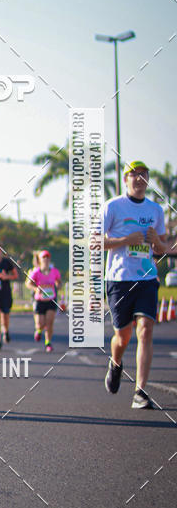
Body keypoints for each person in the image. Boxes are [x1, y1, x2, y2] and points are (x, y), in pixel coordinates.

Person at [103, 161, 168, 409]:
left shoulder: (156, 210)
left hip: (147, 279)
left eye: (144, 175)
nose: (139, 179)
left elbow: (162, 248)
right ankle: (116, 363)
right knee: (122, 336)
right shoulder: (113, 206)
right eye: (134, 175)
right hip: (119, 280)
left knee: (146, 330)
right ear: (126, 179)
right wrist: (125, 240)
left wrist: (157, 243)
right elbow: (94, 242)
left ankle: (140, 391)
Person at [26, 251, 62, 352]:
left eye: (47, 257)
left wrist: (58, 286)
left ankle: (48, 343)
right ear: (40, 260)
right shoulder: (36, 272)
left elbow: (59, 282)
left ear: (49, 259)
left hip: (51, 299)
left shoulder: (54, 271)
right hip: (39, 301)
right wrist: (35, 288)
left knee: (49, 322)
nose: (46, 259)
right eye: (43, 257)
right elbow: (28, 283)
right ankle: (38, 330)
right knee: (40, 324)